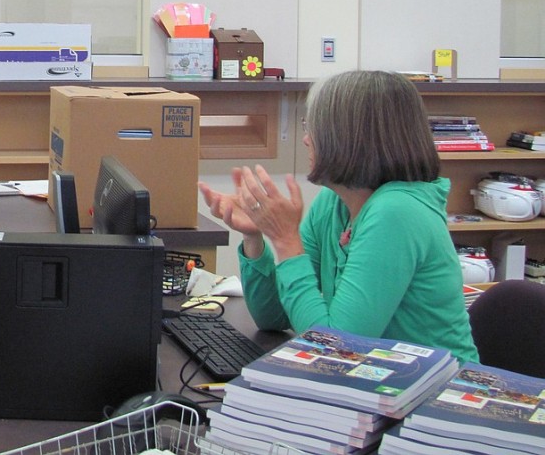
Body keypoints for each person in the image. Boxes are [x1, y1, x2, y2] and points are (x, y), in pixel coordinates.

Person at [199, 70, 479, 364]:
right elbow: (273, 316)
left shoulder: (397, 212)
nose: (306, 139)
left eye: (315, 128)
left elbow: (337, 348)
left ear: (351, 138)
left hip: (440, 387)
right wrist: (254, 237)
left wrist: (286, 241)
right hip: (378, 378)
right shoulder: (334, 203)